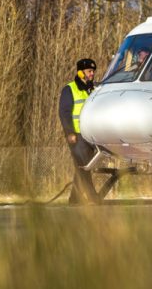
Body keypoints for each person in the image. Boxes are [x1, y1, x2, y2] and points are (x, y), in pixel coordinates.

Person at [59, 58, 101, 204]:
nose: (92, 74)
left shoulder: (93, 90)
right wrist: (69, 132)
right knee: (84, 167)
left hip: (90, 136)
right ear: (81, 72)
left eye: (93, 72)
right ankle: (92, 197)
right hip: (76, 136)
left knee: (82, 167)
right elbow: (64, 113)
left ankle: (74, 198)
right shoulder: (69, 89)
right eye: (89, 71)